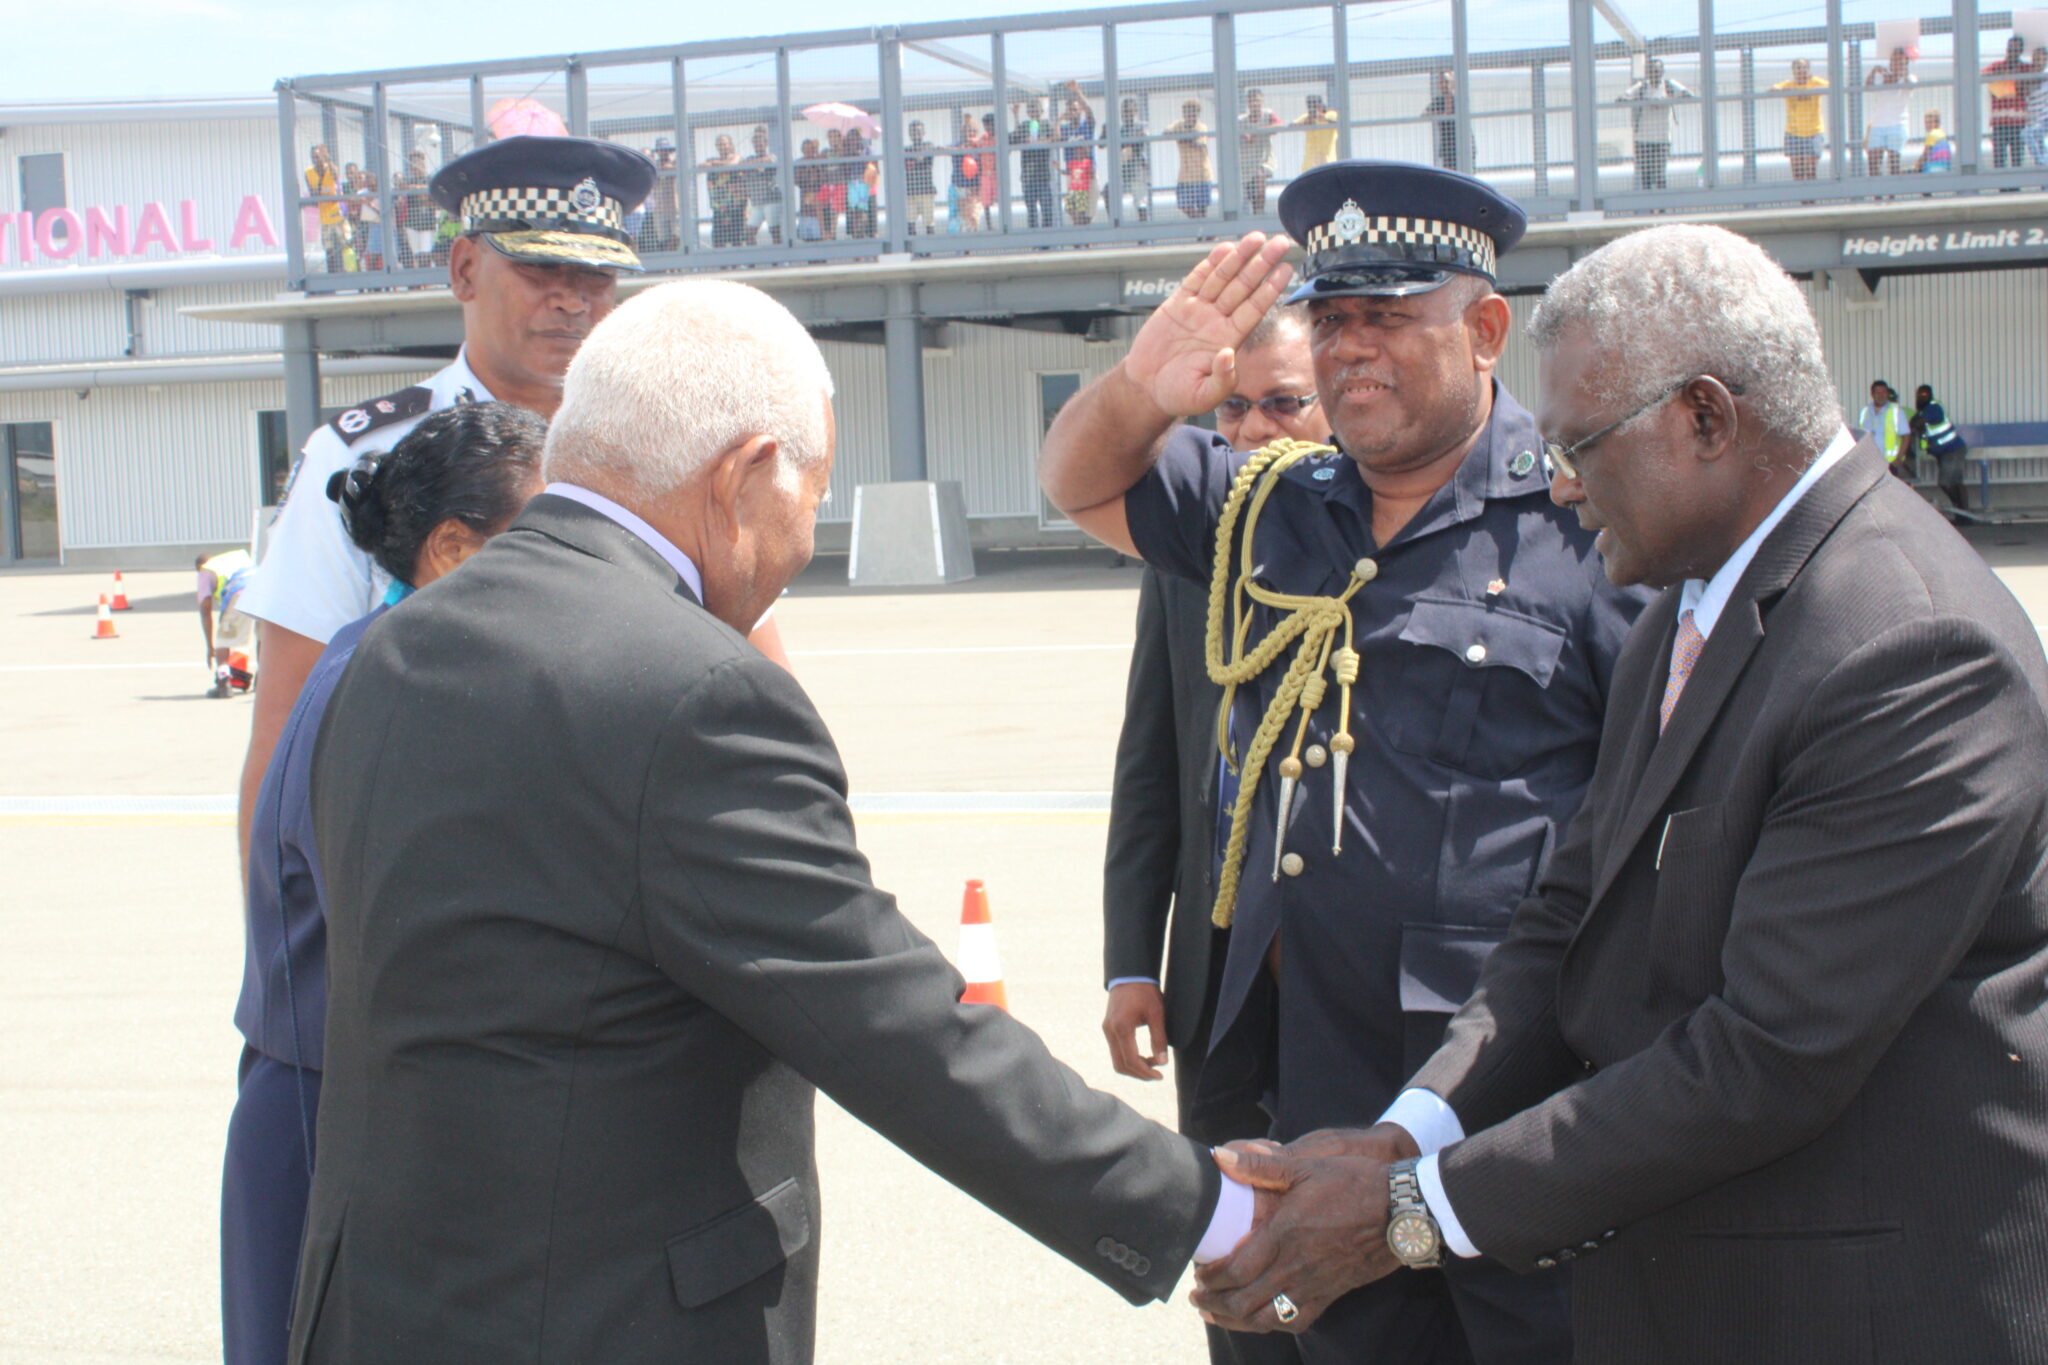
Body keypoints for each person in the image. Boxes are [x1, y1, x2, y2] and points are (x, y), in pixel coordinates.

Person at [289, 279, 1255, 1360]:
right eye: (814, 496)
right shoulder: (689, 690)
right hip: (595, 1322)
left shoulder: (387, 650)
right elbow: (895, 1025)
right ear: (748, 473)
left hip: (377, 1306)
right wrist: (1219, 1213)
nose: (805, 541)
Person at [1191, 222, 2048, 1365]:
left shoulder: (1905, 644)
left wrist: (1410, 1217)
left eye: (1577, 443)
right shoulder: (1685, 608)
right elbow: (1565, 922)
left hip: (1858, 1309)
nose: (1553, 480)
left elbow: (1766, 1058)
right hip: (1698, 1278)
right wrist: (1409, 1135)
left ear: (1702, 416)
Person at [1040, 159, 1654, 1364]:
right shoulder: (1274, 502)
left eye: (1386, 318)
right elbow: (1076, 478)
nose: (1348, 351)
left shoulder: (1583, 521)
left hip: (1498, 1077)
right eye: (1330, 320)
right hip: (1300, 1056)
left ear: (1483, 330)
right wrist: (1138, 385)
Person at [236, 137, 778, 870]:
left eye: (596, 274)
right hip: (447, 870)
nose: (572, 298)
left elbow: (760, 679)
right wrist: (291, 966)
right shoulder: (361, 456)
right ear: (464, 269)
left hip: (647, 853)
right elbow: (288, 725)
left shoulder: (672, 450)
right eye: (539, 268)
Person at [219, 401, 545, 1365]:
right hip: (336, 1126)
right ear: (452, 548)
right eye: (549, 535)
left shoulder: (386, 653)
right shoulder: (401, 685)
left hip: (350, 1100)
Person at [1101, 301, 1327, 1365]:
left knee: (1346, 1242)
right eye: (1231, 410)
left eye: (1286, 404)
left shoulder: (1387, 547)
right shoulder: (1189, 548)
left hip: (1347, 973)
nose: (1254, 431)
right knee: (1233, 1249)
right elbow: (1149, 766)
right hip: (1218, 969)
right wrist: (1127, 966)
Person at [1622, 58, 1694, 191]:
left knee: (1660, 174)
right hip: (1643, 139)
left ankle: (1662, 208)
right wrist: (1645, 101)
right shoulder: (1642, 86)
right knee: (1646, 177)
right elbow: (1623, 97)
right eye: (1651, 71)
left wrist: (1665, 101)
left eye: (1657, 71)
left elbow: (1689, 95)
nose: (1654, 74)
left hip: (1662, 139)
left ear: (1662, 72)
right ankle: (1649, 206)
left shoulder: (1669, 85)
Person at [196, 546, 255, 698]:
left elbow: (205, 608)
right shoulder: (234, 558)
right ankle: (262, 679)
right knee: (263, 636)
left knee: (224, 640)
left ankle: (224, 682)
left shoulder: (205, 570)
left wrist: (210, 646)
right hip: (263, 586)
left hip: (240, 592)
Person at [1911, 382, 1970, 512]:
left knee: (1945, 482)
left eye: (1925, 394)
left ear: (1931, 396)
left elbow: (1917, 423)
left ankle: (1960, 508)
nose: (1922, 397)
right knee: (1955, 482)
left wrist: (1913, 424)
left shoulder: (1934, 407)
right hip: (1943, 452)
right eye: (1920, 395)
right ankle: (1962, 510)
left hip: (1952, 450)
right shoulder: (1923, 411)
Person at [1864, 48, 1916, 178]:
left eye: (1899, 60)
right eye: (1893, 60)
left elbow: (1909, 86)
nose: (1895, 63)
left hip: (1897, 125)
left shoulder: (1909, 78)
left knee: (1893, 163)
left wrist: (1901, 74)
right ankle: (1877, 195)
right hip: (1878, 124)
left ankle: (1892, 195)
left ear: (1905, 62)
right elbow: (1867, 87)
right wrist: (1874, 71)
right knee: (1873, 163)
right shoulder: (1881, 76)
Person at [1774, 57, 1827, 181]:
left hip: (1813, 131)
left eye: (1804, 67)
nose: (1801, 70)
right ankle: (1801, 198)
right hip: (1794, 132)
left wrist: (1809, 91)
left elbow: (1831, 85)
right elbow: (1773, 89)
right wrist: (1791, 91)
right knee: (1797, 171)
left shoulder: (1814, 82)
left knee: (1810, 170)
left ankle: (1811, 199)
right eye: (1798, 68)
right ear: (1793, 71)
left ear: (1808, 69)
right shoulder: (1789, 84)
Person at [1985, 34, 2034, 171]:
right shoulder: (1996, 67)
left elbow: (2038, 72)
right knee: (1999, 159)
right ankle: (2002, 187)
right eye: (2010, 48)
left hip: (2018, 122)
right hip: (2000, 122)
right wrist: (2000, 75)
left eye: (2016, 49)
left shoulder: (2026, 69)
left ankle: (2015, 186)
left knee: (2017, 158)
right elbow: (1982, 75)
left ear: (2021, 51)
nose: (2012, 51)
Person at [1013, 97, 1058, 229]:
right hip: (1028, 175)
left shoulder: (1045, 124)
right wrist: (1015, 115)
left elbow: (1054, 138)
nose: (1033, 110)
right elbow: (1017, 137)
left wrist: (1039, 142)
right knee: (1031, 211)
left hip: (1043, 175)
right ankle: (1034, 239)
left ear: (1042, 110)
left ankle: (1047, 240)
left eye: (1035, 107)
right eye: (1030, 107)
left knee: (1046, 209)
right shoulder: (1025, 125)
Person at [1239, 88, 1283, 214]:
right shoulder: (1241, 120)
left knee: (1260, 179)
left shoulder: (1268, 114)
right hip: (1247, 163)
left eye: (1257, 100)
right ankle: (1255, 215)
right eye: (1251, 101)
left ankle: (1260, 214)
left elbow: (1279, 125)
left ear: (1262, 101)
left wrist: (1257, 132)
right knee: (1251, 193)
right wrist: (1245, 135)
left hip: (1264, 159)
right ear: (1248, 102)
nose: (1254, 103)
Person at [1060, 83, 1098, 227]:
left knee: (1089, 210)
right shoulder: (1065, 129)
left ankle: (1086, 239)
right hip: (1073, 174)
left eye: (1075, 109)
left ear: (1079, 110)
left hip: (1089, 172)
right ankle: (1078, 239)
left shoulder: (1086, 125)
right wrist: (1058, 120)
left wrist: (1078, 92)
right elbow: (1056, 138)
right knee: (1072, 208)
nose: (1072, 112)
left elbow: (1090, 112)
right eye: (1070, 110)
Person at [304, 145, 346, 273]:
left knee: (345, 243)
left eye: (317, 156)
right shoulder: (309, 172)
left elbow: (336, 176)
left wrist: (328, 159)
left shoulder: (330, 168)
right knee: (329, 247)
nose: (315, 159)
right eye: (313, 157)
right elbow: (312, 193)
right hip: (324, 215)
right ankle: (332, 272)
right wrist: (320, 194)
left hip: (337, 212)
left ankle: (347, 270)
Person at [701, 133, 746, 248]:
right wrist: (715, 163)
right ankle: (722, 266)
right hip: (719, 206)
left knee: (737, 239)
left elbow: (732, 164)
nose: (722, 147)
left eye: (725, 144)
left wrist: (716, 164)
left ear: (730, 145)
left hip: (736, 206)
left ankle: (737, 265)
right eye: (719, 144)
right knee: (718, 240)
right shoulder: (712, 160)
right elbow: (702, 166)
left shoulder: (737, 157)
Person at [741, 125, 782, 245]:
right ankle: (752, 261)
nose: (758, 146)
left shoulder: (772, 156)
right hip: (756, 201)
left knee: (774, 230)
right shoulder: (750, 158)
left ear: (766, 144)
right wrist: (755, 163)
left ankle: (779, 260)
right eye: (756, 144)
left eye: (761, 143)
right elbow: (743, 165)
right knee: (749, 232)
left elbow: (769, 161)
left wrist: (752, 165)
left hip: (771, 200)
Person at [1855, 377, 1907, 467]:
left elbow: (1906, 436)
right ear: (1872, 394)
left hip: (1890, 462)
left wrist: (1899, 457)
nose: (1881, 395)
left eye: (1884, 392)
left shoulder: (1896, 411)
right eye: (1877, 392)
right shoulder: (1865, 411)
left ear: (1887, 394)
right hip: (1869, 462)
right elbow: (1860, 436)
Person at [1174, 100, 1213, 220]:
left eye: (1193, 113)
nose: (1190, 116)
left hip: (1202, 174)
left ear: (1198, 114)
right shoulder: (1178, 125)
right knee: (1184, 205)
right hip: (1185, 175)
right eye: (1187, 113)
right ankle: (1204, 226)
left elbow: (1199, 142)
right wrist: (1181, 133)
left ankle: (1204, 234)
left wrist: (1185, 138)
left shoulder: (1202, 127)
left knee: (1202, 207)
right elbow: (1166, 131)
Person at [948, 111, 984, 232]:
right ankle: (962, 243)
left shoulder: (980, 146)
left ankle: (973, 239)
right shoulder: (958, 145)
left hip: (974, 188)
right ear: (963, 132)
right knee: (961, 215)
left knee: (973, 215)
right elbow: (948, 149)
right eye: (968, 130)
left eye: (973, 131)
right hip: (960, 187)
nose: (971, 133)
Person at [1119, 97, 1153, 222]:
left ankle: (1143, 232)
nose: (1126, 114)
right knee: (1109, 192)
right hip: (1123, 168)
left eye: (1129, 111)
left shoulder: (1141, 125)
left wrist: (1128, 143)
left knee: (1140, 199)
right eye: (1124, 111)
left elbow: (1144, 134)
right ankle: (1116, 224)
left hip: (1138, 167)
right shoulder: (1120, 129)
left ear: (1135, 111)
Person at [903, 119, 937, 235]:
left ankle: (929, 251)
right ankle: (913, 251)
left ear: (923, 132)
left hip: (926, 190)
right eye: (913, 131)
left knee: (929, 222)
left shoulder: (928, 146)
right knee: (910, 222)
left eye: (918, 131)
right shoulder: (906, 150)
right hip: (911, 191)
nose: (916, 133)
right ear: (909, 134)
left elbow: (924, 157)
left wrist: (918, 158)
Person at [648, 136, 681, 252]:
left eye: (666, 150)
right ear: (657, 152)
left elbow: (677, 168)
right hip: (659, 208)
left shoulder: (676, 164)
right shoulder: (653, 166)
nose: (664, 153)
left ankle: (673, 263)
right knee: (663, 239)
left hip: (675, 208)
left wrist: (669, 168)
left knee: (676, 236)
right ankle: (668, 265)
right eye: (661, 150)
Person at [1293, 93, 1339, 173]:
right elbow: (1292, 126)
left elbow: (1337, 122)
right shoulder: (1307, 117)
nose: (1313, 109)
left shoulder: (1330, 114)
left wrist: (1322, 117)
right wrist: (1306, 122)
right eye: (1310, 107)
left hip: (1327, 158)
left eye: (1315, 106)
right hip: (1310, 160)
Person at [795, 137, 827, 241]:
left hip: (819, 207)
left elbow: (824, 178)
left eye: (811, 149)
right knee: (807, 239)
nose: (809, 152)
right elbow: (797, 181)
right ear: (802, 151)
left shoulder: (818, 161)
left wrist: (816, 165)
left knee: (819, 238)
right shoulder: (799, 163)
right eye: (806, 149)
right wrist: (807, 169)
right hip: (805, 207)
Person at [1424, 71, 1458, 170]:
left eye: (1446, 81)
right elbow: (1424, 114)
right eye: (1441, 82)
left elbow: (1451, 111)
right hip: (1447, 148)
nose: (1444, 85)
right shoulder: (1438, 101)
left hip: (1462, 146)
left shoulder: (1459, 99)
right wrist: (1441, 114)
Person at [1916, 108, 1955, 172]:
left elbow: (1925, 154)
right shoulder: (1942, 133)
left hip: (1934, 166)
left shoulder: (1932, 134)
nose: (1927, 125)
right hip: (1946, 166)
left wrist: (1917, 165)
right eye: (1926, 123)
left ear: (1937, 123)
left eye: (1930, 122)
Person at [2027, 48, 2048, 166]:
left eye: (2043, 59)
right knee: (2035, 141)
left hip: (2045, 119)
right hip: (2033, 119)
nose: (2040, 62)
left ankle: (2042, 161)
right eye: (2037, 59)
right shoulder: (2027, 76)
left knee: (2028, 134)